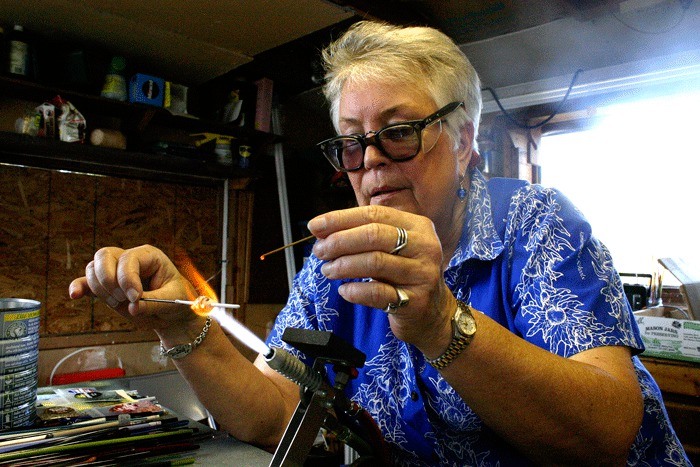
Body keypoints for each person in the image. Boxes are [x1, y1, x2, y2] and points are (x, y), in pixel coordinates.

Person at [69, 21, 690, 466]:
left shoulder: (537, 225)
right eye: (350, 140)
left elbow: (606, 434)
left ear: (464, 139)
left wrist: (442, 323)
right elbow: (274, 412)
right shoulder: (338, 261)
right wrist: (182, 328)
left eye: (397, 133)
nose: (368, 163)